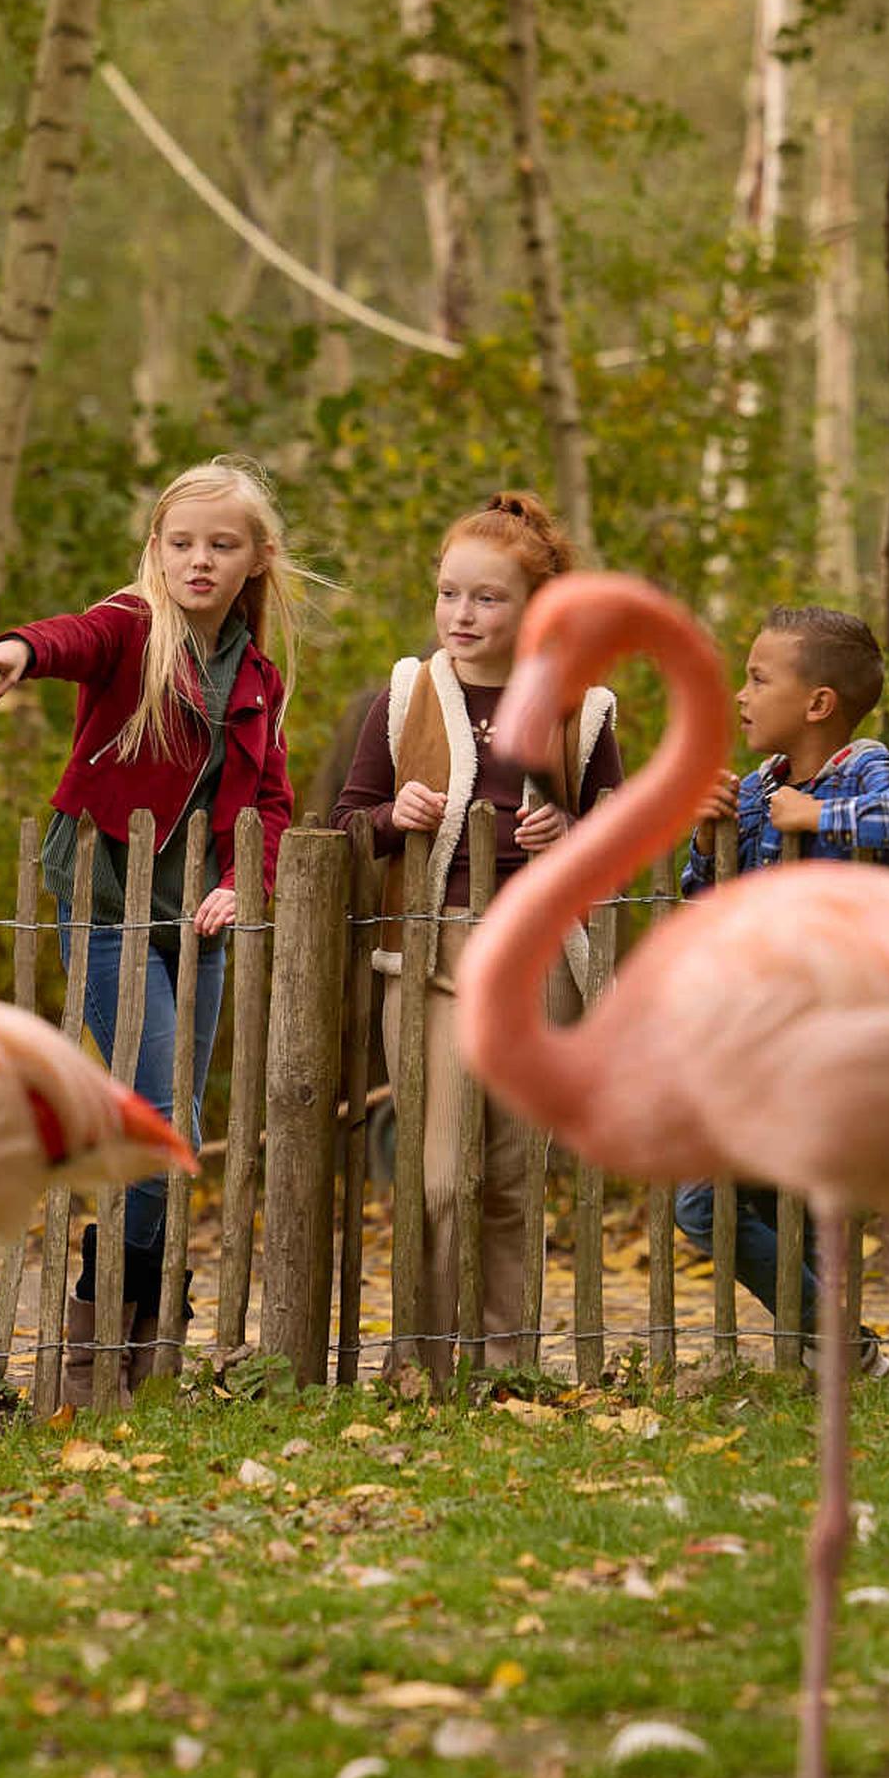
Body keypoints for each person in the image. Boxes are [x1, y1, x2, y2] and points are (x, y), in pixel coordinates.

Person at [0, 455, 320, 1386]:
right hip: (106, 902)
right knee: (158, 1119)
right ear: (156, 551)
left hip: (196, 920)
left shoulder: (258, 679)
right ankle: (95, 1346)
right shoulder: (132, 628)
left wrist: (249, 881)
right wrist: (18, 651)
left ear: (255, 560)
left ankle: (139, 1342)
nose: (199, 561)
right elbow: (73, 637)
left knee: (179, 1128)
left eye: (223, 545)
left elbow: (271, 802)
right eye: (182, 543)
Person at [329, 492, 625, 1374]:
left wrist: (571, 835)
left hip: (536, 959)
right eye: (449, 593)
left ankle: (507, 1355)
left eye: (487, 599)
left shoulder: (583, 707)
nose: (462, 614)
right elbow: (348, 822)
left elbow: (617, 834)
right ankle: (421, 1356)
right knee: (437, 1172)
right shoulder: (408, 693)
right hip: (430, 952)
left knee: (508, 1173)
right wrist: (395, 814)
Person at [670, 605, 889, 1346]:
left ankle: (831, 1352)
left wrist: (817, 818)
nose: (742, 695)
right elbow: (704, 898)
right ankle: (835, 1347)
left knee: (752, 1198)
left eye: (758, 679)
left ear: (819, 703)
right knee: (726, 1200)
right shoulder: (759, 787)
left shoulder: (866, 766)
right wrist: (706, 836)